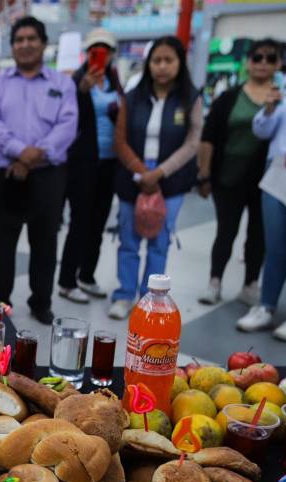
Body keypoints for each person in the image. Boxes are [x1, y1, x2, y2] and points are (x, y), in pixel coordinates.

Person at [0, 16, 78, 325]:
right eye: (19, 40)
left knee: (45, 241)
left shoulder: (62, 84)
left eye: (31, 39)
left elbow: (68, 125)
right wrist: (20, 151)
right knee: (3, 242)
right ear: (12, 47)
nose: (25, 45)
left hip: (47, 176)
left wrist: (36, 155)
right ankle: (0, 302)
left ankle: (41, 302)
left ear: (43, 44)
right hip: (5, 173)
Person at [109, 36, 202, 320]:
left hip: (170, 179)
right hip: (133, 175)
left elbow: (192, 142)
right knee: (128, 239)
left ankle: (150, 300)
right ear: (149, 64)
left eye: (168, 60)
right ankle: (124, 295)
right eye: (156, 60)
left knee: (159, 241)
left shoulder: (191, 97)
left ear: (179, 63)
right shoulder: (134, 96)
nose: (162, 66)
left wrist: (159, 173)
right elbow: (120, 139)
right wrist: (141, 170)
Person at [197, 39, 280, 306]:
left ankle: (251, 283)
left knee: (259, 234)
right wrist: (204, 173)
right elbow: (208, 137)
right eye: (257, 57)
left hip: (267, 179)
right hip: (228, 176)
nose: (263, 63)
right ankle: (215, 281)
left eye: (270, 58)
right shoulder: (229, 97)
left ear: (278, 64)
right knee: (226, 231)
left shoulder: (284, 99)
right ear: (248, 62)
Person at [236, 64, 286, 341]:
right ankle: (266, 306)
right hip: (277, 173)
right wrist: (270, 108)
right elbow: (262, 130)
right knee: (275, 246)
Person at [58, 28, 123, 304]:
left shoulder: (115, 81)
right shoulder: (76, 81)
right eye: (96, 50)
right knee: (80, 221)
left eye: (105, 50)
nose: (101, 55)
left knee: (98, 222)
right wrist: (82, 90)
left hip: (110, 162)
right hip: (83, 162)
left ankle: (87, 275)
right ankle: (66, 281)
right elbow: (70, 117)